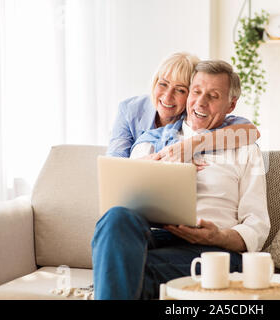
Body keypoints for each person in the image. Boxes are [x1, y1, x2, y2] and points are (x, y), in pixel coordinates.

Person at [92, 60, 270, 300]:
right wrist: (149, 170)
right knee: (115, 219)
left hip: (213, 251)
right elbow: (119, 202)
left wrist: (218, 236)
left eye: (213, 96)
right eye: (196, 92)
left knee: (120, 269)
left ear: (231, 105)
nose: (201, 102)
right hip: (154, 239)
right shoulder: (150, 142)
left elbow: (256, 225)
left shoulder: (246, 149)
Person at [106, 52, 260, 163]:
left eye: (180, 90)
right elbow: (113, 165)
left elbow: (251, 132)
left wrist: (191, 146)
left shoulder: (196, 116)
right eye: (163, 84)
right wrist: (148, 163)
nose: (167, 97)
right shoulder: (130, 110)